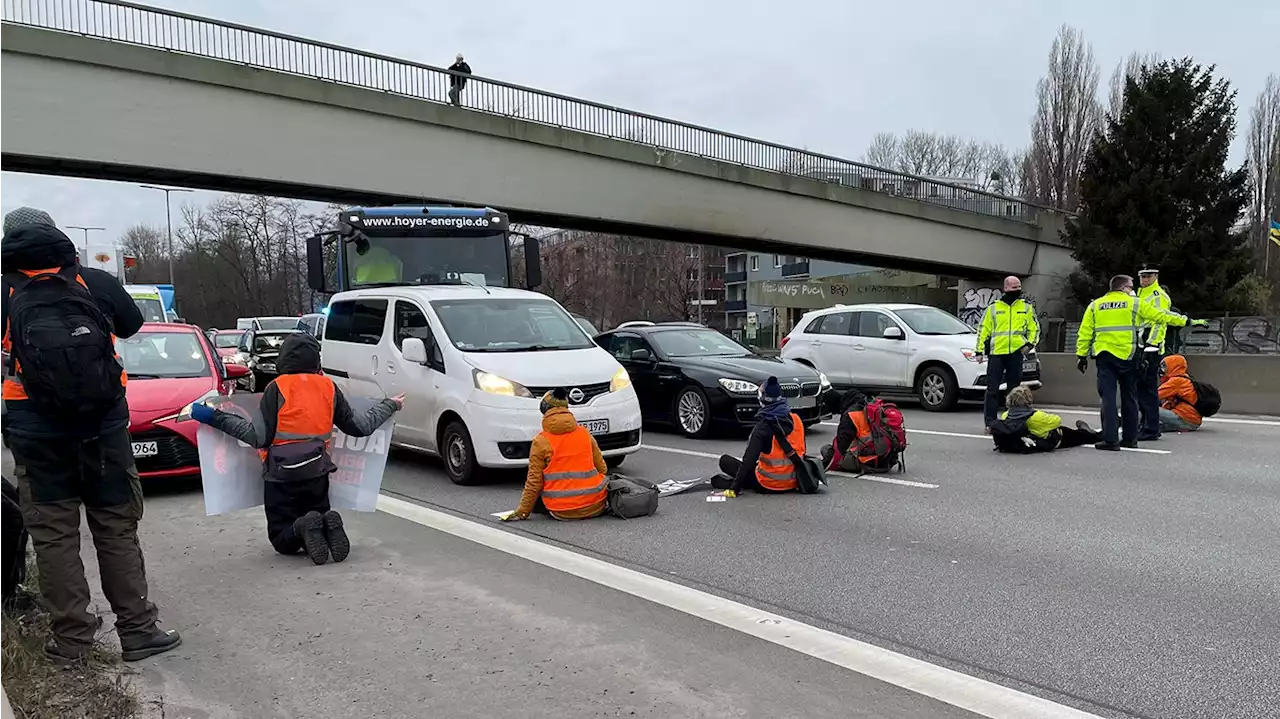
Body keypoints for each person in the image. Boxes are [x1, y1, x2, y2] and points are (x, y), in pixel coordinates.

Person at [0, 207, 180, 664]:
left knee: (55, 536)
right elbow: (132, 326)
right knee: (116, 528)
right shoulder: (94, 282)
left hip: (36, 435)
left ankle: (73, 643)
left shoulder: (3, 290)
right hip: (103, 430)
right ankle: (138, 630)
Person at [191, 333, 403, 564]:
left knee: (281, 538)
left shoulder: (276, 388)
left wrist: (215, 417)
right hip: (317, 472)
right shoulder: (328, 387)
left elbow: (257, 437)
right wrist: (390, 405)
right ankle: (322, 522)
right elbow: (360, 427)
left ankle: (303, 526)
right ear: (316, 360)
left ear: (283, 359)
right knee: (317, 517)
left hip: (280, 476)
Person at [1076, 274, 1205, 451]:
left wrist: (1081, 356)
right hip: (1129, 357)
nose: (1133, 290)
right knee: (1130, 397)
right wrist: (1188, 321)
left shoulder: (1095, 305)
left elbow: (1084, 333)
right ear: (1123, 288)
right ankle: (1130, 439)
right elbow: (1162, 316)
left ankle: (1110, 440)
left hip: (1105, 357)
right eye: (1131, 287)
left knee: (1108, 398)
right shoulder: (1134, 303)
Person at [503, 388, 609, 521]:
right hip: (596, 505)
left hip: (561, 510)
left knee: (537, 490)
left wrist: (522, 512)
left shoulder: (541, 441)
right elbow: (603, 469)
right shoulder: (585, 434)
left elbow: (534, 483)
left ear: (544, 410)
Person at [711, 377, 804, 497]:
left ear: (763, 400)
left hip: (768, 483)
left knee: (725, 462)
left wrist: (734, 489)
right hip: (795, 480)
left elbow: (748, 462)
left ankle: (733, 483)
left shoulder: (762, 428)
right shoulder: (797, 420)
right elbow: (802, 450)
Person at [975, 276, 1040, 430]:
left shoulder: (1026, 308)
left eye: (1019, 287)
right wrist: (978, 350)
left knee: (1014, 390)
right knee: (992, 390)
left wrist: (1029, 345)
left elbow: (1034, 329)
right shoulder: (993, 308)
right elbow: (983, 330)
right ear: (1005, 288)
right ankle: (990, 423)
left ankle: (1012, 421)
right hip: (997, 353)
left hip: (1016, 354)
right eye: (1013, 288)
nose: (1017, 290)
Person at [991, 386, 1101, 452]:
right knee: (1078, 435)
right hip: (1053, 440)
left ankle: (1087, 432)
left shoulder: (1006, 415)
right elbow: (1057, 420)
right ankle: (1093, 434)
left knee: (1048, 428)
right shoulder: (1036, 417)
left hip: (1027, 440)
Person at [1136, 264, 1173, 441]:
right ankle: (1145, 424)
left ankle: (1151, 428)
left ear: (1156, 276)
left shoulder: (1158, 296)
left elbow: (1160, 323)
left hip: (1149, 349)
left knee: (1148, 390)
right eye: (1142, 276)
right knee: (1140, 389)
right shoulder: (1139, 294)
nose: (1145, 280)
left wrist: (1151, 348)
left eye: (1148, 276)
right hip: (1138, 348)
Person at [1157, 354, 1202, 432]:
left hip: (1185, 418)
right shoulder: (1185, 378)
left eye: (1165, 366)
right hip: (1193, 420)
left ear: (1173, 366)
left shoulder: (1176, 381)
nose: (1162, 370)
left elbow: (1154, 396)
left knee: (1148, 408)